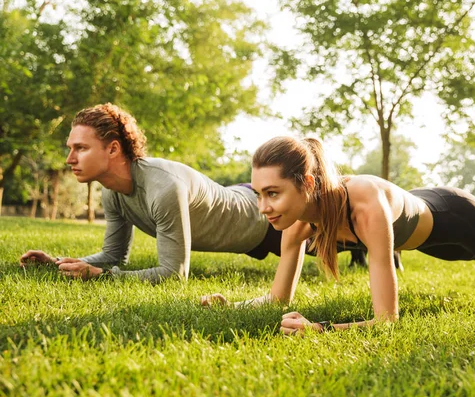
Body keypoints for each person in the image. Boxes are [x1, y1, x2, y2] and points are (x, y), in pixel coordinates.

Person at [203, 135, 475, 334]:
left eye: (273, 193)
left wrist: (319, 329)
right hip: (423, 237)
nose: (263, 207)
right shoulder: (297, 224)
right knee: (472, 256)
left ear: (307, 183)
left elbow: (386, 320)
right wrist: (232, 305)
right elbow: (277, 298)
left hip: (454, 215)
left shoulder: (365, 206)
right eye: (259, 194)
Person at [19, 103, 285, 283]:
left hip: (267, 216)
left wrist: (102, 276)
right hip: (241, 212)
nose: (69, 159)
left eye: (81, 148)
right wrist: (58, 263)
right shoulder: (112, 192)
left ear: (113, 149)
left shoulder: (164, 187)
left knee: (327, 249)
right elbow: (113, 256)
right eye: (70, 148)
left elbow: (174, 273)